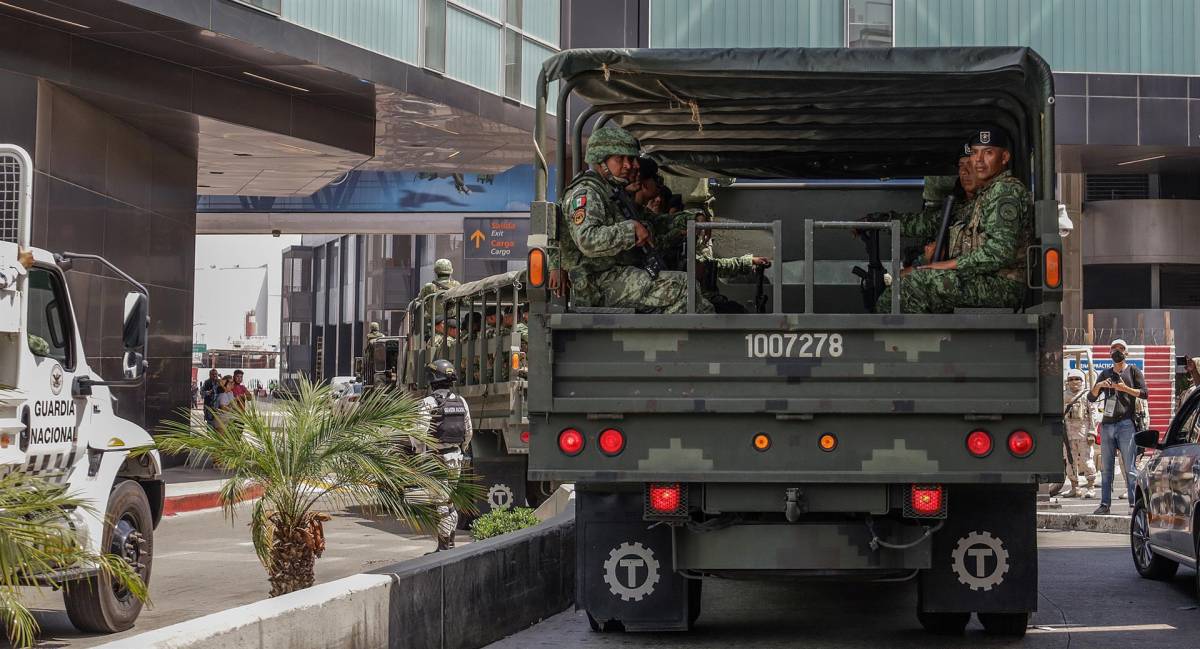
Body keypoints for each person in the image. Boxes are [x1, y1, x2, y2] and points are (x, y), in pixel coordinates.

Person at [557, 126, 713, 314]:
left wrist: (691, 218)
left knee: (696, 300)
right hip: (596, 283)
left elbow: (654, 223)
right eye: (620, 159)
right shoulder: (587, 193)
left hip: (614, 276)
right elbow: (587, 240)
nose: (630, 165)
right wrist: (630, 230)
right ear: (601, 160)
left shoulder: (611, 193)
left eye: (630, 159)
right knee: (682, 287)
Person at [875, 130, 1032, 313]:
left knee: (915, 284)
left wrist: (946, 265)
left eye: (988, 152)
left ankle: (902, 340)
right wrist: (877, 221)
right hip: (982, 278)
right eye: (975, 153)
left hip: (1002, 285)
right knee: (905, 285)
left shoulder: (1005, 191)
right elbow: (925, 223)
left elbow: (999, 252)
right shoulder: (980, 198)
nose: (979, 160)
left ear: (1004, 157)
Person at [415, 359, 473, 551]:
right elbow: (468, 431)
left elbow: (419, 434)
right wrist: (461, 450)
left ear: (432, 380)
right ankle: (450, 543)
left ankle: (444, 546)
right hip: (455, 457)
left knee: (441, 504)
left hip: (436, 458)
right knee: (449, 501)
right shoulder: (461, 401)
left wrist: (421, 455)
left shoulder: (427, 403)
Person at [1087, 339, 1148, 514]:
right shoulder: (1105, 373)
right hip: (1107, 425)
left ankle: (1133, 505)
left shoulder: (1133, 371)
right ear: (1109, 352)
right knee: (1106, 469)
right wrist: (1099, 385)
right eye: (1114, 348)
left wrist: (1124, 388)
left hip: (1126, 424)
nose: (1117, 351)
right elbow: (1091, 398)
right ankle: (1105, 504)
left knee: (1130, 468)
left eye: (1121, 349)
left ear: (1126, 353)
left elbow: (1145, 393)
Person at [1060, 369, 1097, 498]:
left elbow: (1093, 414)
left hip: (1084, 433)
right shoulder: (1063, 396)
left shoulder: (1087, 395)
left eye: (1077, 379)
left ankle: (1091, 487)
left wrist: (1092, 432)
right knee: (1070, 461)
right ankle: (1074, 488)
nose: (1074, 382)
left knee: (1087, 461)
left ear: (1082, 381)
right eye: (1071, 379)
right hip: (1068, 435)